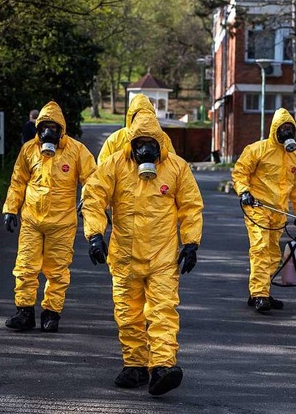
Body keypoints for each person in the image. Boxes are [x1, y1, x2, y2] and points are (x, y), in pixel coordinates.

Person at [82, 108, 203, 396]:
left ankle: (161, 366)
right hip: (124, 253)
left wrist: (191, 242)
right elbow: (93, 197)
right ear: (131, 144)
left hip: (162, 255)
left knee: (162, 310)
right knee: (128, 312)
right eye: (139, 143)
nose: (144, 149)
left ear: (160, 143)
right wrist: (95, 234)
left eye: (150, 143)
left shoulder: (176, 167)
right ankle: (134, 365)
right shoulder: (114, 165)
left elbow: (191, 206)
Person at [3, 101, 96, 332]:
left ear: (61, 129)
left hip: (62, 223)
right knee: (25, 266)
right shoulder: (28, 150)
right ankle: (24, 312)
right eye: (45, 126)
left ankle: (51, 313)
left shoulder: (77, 151)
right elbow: (18, 182)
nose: (49, 131)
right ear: (38, 127)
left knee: (57, 270)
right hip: (32, 221)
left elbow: (93, 180)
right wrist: (10, 209)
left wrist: (87, 199)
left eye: (54, 127)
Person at [231, 108, 296, 313]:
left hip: (279, 211)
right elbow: (240, 172)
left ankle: (260, 290)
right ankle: (260, 294)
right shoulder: (257, 149)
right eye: (283, 128)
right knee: (260, 248)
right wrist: (244, 192)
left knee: (273, 253)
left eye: (290, 128)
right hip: (257, 207)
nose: (287, 132)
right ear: (275, 129)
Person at [97, 94, 175, 165]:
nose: (142, 121)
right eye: (140, 142)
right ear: (131, 118)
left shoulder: (163, 138)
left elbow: (173, 165)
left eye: (146, 116)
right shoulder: (115, 139)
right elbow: (103, 170)